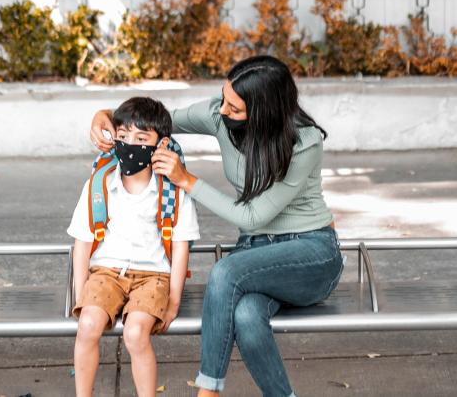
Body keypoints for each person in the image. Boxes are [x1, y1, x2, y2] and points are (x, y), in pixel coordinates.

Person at [88, 56, 339, 397]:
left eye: (234, 108)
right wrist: (105, 115)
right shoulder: (219, 115)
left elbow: (254, 217)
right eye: (224, 98)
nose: (222, 110)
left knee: (224, 272)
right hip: (257, 255)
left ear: (263, 111)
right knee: (248, 316)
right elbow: (154, 123)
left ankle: (207, 393)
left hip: (310, 253)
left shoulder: (304, 142)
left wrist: (187, 180)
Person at [68, 96, 199, 397]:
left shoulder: (173, 191)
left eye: (142, 138)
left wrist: (174, 303)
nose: (130, 144)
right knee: (88, 325)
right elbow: (82, 241)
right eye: (123, 136)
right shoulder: (98, 184)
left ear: (161, 144)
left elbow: (180, 248)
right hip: (105, 273)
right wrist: (81, 295)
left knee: (136, 333)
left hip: (153, 277)